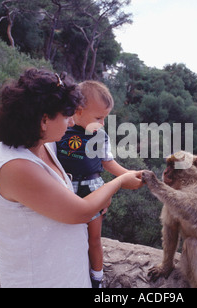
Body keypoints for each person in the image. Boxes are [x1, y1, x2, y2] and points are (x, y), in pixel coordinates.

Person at [0, 68, 143, 288]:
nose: (70, 124)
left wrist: (97, 195)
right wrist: (119, 182)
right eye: (66, 116)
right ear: (44, 120)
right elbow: (81, 212)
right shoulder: (15, 167)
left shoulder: (42, 145)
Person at [56, 81, 130, 288]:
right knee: (65, 233)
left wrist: (130, 175)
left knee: (94, 238)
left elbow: (108, 163)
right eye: (99, 118)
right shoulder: (60, 130)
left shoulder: (100, 136)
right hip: (64, 187)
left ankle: (97, 277)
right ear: (78, 113)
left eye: (104, 118)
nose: (102, 123)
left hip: (91, 187)